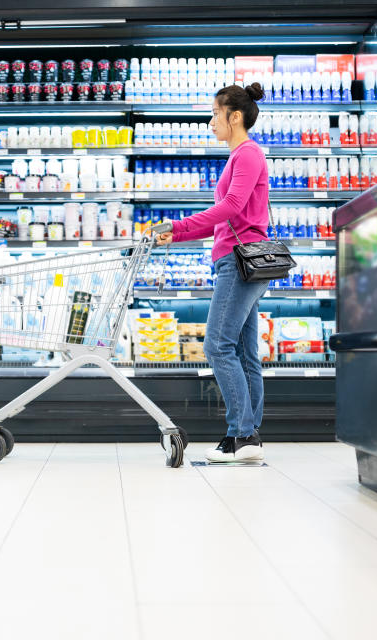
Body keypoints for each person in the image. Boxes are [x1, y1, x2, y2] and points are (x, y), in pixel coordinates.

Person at [153, 83, 270, 462]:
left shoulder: (247, 154)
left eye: (216, 114)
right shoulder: (239, 156)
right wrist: (178, 232)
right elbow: (222, 221)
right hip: (240, 259)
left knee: (217, 345)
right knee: (243, 352)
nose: (211, 122)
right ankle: (249, 436)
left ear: (235, 116)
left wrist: (181, 223)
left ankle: (240, 435)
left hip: (238, 262)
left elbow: (233, 207)